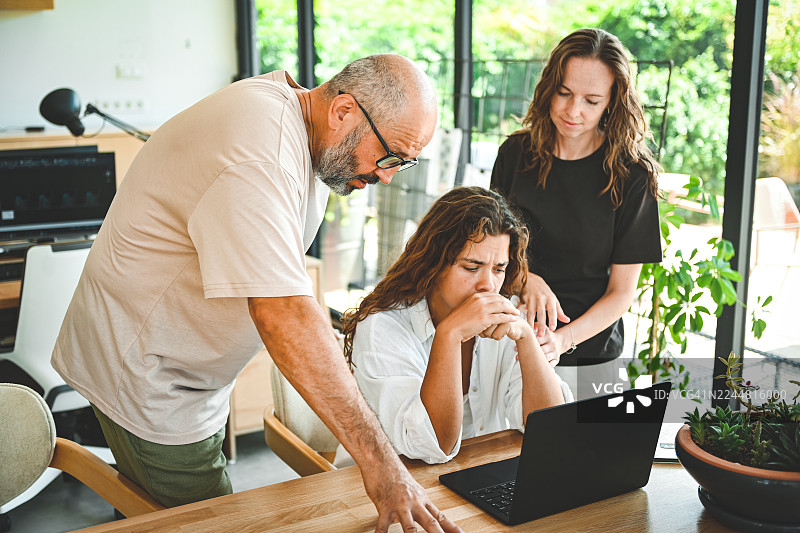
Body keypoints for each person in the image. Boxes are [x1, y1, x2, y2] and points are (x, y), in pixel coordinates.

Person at [52, 54, 461, 533]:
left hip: (189, 376)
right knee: (209, 523)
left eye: (403, 164)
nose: (387, 175)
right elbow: (282, 312)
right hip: (148, 376)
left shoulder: (306, 134)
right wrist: (383, 468)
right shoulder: (261, 152)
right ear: (343, 111)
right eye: (388, 155)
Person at [490, 28, 662, 399]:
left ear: (612, 102)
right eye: (564, 93)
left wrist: (561, 341)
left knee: (584, 439)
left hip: (592, 356)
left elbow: (621, 293)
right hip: (508, 342)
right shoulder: (514, 155)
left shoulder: (633, 176)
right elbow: (489, 253)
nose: (573, 111)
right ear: (548, 88)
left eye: (591, 100)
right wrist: (526, 278)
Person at [342, 186, 572, 464]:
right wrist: (449, 335)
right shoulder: (382, 328)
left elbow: (548, 428)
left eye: (498, 269)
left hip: (480, 471)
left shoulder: (506, 312)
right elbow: (432, 446)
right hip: (393, 479)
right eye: (472, 268)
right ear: (434, 264)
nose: (488, 285)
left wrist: (526, 338)